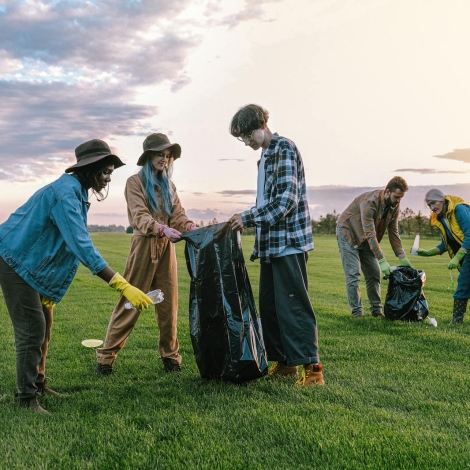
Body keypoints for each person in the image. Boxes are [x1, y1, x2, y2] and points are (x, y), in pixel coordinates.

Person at [0, 139, 153, 414]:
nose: (108, 179)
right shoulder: (66, 194)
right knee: (31, 329)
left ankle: (38, 383)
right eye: (105, 172)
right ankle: (26, 398)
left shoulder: (77, 192)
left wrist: (47, 288)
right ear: (89, 168)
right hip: (13, 258)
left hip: (29, 261)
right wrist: (121, 284)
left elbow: (58, 244)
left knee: (44, 323)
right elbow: (80, 245)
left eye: (110, 172)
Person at [228, 104, 324, 387]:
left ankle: (313, 368)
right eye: (242, 139)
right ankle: (285, 364)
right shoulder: (265, 157)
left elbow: (286, 201)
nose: (246, 142)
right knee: (270, 307)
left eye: (247, 135)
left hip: (289, 243)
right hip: (270, 245)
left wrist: (247, 218)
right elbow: (266, 202)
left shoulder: (283, 148)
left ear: (262, 125)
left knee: (293, 306)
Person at [95, 133, 196, 375]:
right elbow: (139, 215)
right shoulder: (134, 182)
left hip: (166, 251)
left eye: (168, 155)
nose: (165, 159)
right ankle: (105, 358)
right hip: (143, 247)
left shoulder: (169, 186)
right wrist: (161, 228)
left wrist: (190, 227)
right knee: (130, 303)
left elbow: (178, 215)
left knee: (168, 306)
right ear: (149, 156)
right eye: (160, 154)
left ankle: (171, 357)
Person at [336, 177, 414, 319]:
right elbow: (370, 234)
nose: (398, 201)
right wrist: (382, 259)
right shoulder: (369, 203)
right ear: (387, 192)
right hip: (348, 233)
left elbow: (393, 232)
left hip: (366, 239)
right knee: (353, 274)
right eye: (396, 197)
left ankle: (377, 311)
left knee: (374, 273)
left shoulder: (394, 207)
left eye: (401, 198)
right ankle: (357, 313)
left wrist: (402, 256)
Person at [417, 189, 470, 323]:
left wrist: (457, 257)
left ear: (442, 199)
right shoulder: (442, 218)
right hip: (467, 252)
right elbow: (446, 243)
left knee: (463, 283)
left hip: (467, 251)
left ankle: (456, 321)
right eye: (429, 205)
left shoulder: (459, 210)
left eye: (433, 203)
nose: (432, 207)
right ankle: (457, 320)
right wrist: (428, 252)